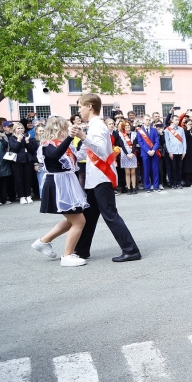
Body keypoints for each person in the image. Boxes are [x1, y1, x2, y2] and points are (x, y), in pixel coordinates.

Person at [70, 94, 141, 262]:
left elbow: (101, 152)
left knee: (110, 214)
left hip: (101, 177)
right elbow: (88, 152)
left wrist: (83, 138)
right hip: (95, 178)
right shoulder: (92, 126)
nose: (79, 111)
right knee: (89, 215)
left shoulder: (98, 127)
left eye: (80, 106)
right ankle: (81, 250)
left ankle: (131, 250)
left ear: (89, 106)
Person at [31, 116, 89, 267]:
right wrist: (70, 138)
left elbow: (79, 157)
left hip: (67, 183)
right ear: (59, 128)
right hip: (58, 183)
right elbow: (54, 155)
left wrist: (83, 138)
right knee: (79, 221)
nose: (69, 129)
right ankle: (67, 255)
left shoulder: (64, 145)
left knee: (73, 220)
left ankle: (43, 242)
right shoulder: (47, 144)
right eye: (67, 126)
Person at [7, 123, 37, 204]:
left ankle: (28, 195)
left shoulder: (26, 136)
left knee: (28, 178)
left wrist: (27, 141)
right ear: (14, 130)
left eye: (21, 128)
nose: (20, 130)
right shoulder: (12, 138)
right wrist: (19, 140)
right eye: (18, 128)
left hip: (27, 160)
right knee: (19, 179)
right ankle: (22, 196)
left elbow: (31, 149)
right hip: (17, 161)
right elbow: (14, 149)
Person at [137, 115, 160, 193]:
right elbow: (140, 142)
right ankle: (147, 187)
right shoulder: (140, 130)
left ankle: (156, 186)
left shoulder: (154, 130)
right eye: (146, 120)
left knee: (155, 170)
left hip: (154, 153)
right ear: (143, 121)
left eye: (149, 120)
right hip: (145, 153)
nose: (148, 121)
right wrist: (148, 151)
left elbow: (157, 141)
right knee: (146, 170)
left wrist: (153, 150)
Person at [117, 121, 138, 195]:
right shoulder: (121, 134)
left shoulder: (134, 134)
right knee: (127, 172)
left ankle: (134, 187)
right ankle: (128, 188)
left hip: (132, 153)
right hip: (125, 153)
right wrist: (127, 154)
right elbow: (122, 145)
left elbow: (135, 144)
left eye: (128, 125)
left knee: (133, 172)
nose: (127, 127)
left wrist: (132, 153)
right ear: (123, 127)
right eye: (126, 126)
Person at [165, 116, 186, 189]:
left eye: (178, 120)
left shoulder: (181, 129)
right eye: (176, 120)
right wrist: (169, 151)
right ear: (172, 120)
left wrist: (184, 151)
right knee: (173, 168)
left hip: (180, 150)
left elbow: (184, 141)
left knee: (179, 168)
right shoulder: (167, 130)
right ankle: (174, 183)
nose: (177, 121)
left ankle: (179, 182)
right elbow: (167, 142)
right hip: (172, 151)